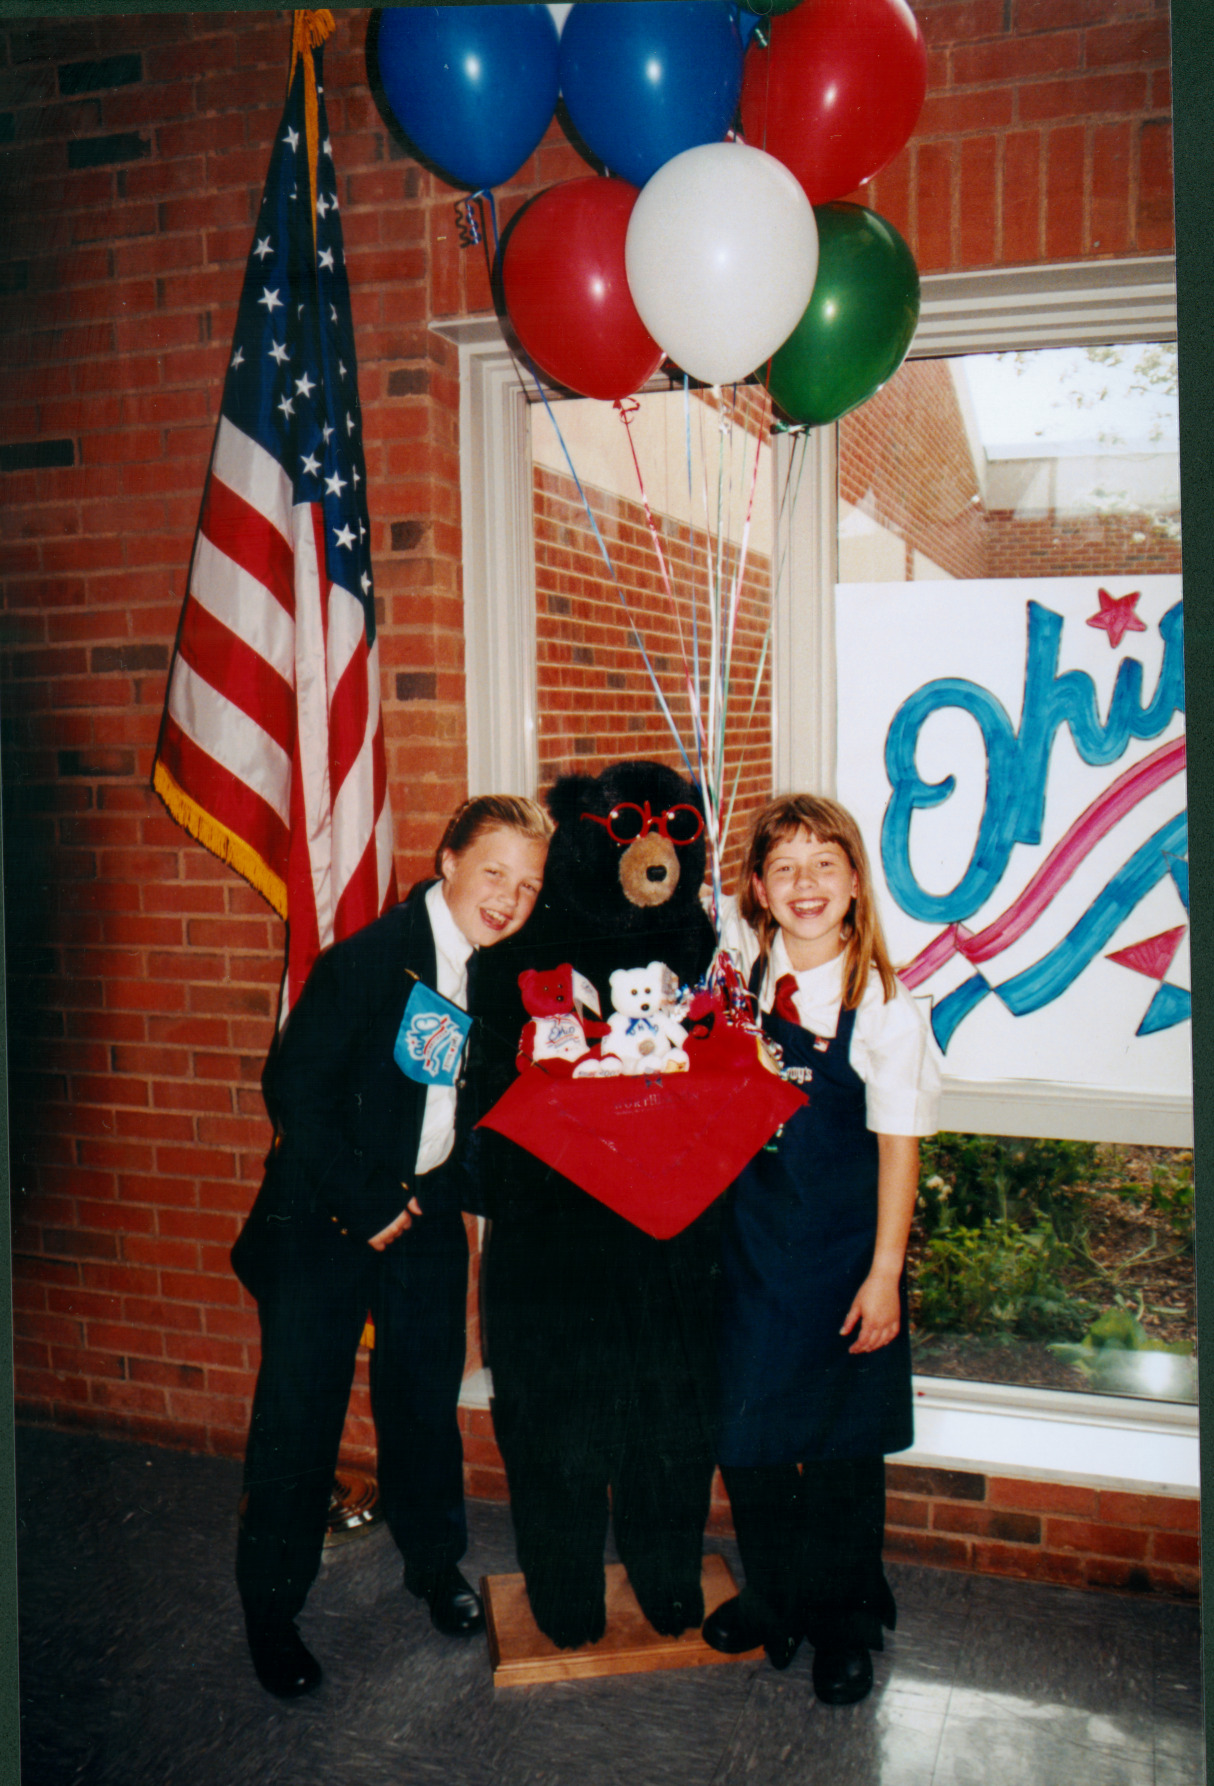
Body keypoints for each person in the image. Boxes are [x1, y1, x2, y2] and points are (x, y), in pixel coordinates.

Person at [230, 795, 552, 1698]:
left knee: (423, 1404)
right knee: (300, 1419)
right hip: (327, 1219)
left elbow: (468, 1101)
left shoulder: (495, 969)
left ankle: (434, 1565)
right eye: (494, 873)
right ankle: (272, 1612)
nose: (509, 899)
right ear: (447, 860)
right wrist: (368, 1200)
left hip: (425, 1214)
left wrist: (443, 1193)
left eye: (528, 886)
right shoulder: (368, 960)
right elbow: (295, 1089)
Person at [703, 794, 940, 1706]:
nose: (805, 885)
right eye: (785, 869)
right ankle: (775, 1593)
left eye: (824, 865)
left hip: (845, 1261)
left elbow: (899, 1152)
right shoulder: (739, 976)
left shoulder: (883, 1009)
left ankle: (843, 1618)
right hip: (752, 1256)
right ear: (759, 891)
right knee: (752, 1441)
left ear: (853, 885)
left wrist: (884, 1276)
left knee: (841, 1449)